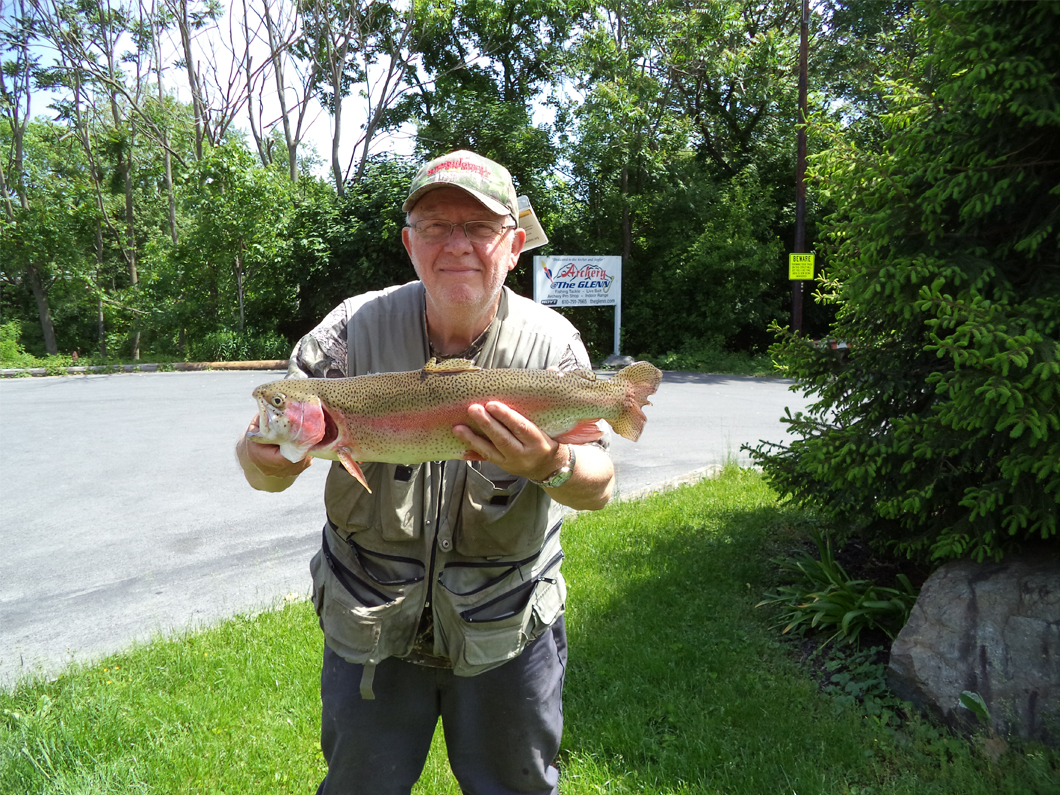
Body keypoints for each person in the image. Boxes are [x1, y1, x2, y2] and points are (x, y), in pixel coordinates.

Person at [235, 150, 615, 794]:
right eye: (437, 226)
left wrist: (549, 463)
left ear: (515, 243)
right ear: (411, 245)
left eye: (480, 227)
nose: (457, 245)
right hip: (370, 618)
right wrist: (262, 457)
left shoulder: (553, 345)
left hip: (508, 622)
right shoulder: (350, 331)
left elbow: (598, 485)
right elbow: (263, 470)